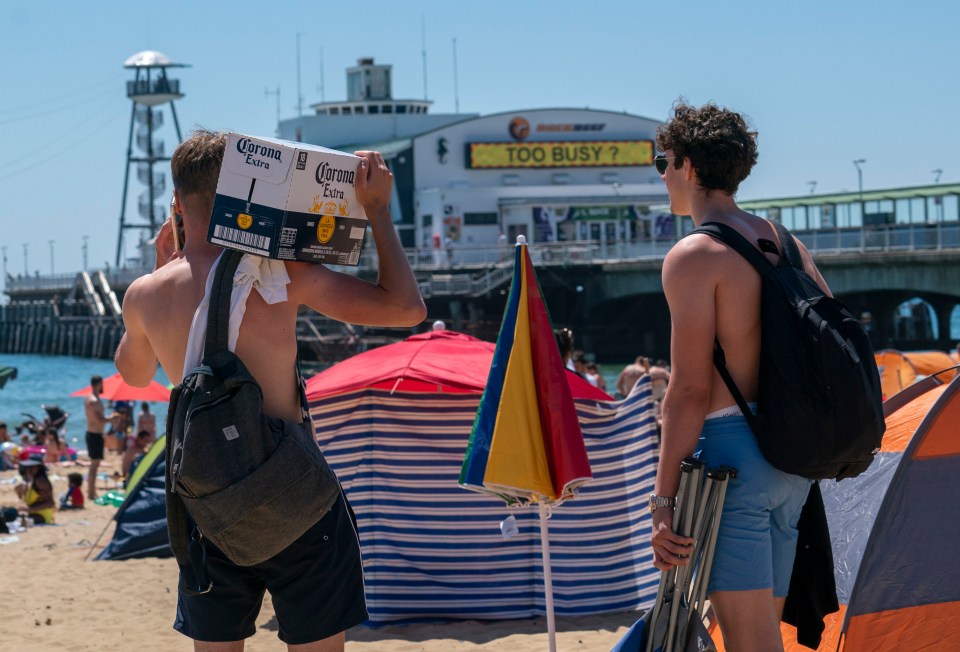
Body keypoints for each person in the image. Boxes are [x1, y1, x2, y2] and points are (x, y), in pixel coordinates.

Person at [115, 130, 426, 652]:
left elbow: (134, 374)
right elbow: (406, 309)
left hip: (206, 499)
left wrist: (159, 271)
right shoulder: (276, 272)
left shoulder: (144, 295)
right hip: (293, 495)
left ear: (176, 205)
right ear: (249, 194)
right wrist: (376, 210)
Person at [649, 101, 831, 652]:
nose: (662, 175)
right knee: (761, 639)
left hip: (733, 463)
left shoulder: (694, 255)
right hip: (792, 461)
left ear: (687, 165)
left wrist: (662, 503)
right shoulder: (787, 245)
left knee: (749, 645)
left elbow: (687, 391)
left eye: (663, 162)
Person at [84, 374, 110, 500]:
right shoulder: (94, 400)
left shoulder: (91, 398)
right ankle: (91, 492)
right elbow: (99, 419)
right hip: (94, 434)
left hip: (95, 434)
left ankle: (91, 491)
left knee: (95, 464)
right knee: (94, 464)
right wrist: (112, 418)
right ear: (98, 384)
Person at [15, 460, 55, 524]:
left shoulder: (40, 481)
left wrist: (29, 509)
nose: (28, 469)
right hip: (33, 513)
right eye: (27, 467)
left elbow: (50, 503)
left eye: (31, 467)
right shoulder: (31, 481)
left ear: (37, 468)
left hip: (41, 515)